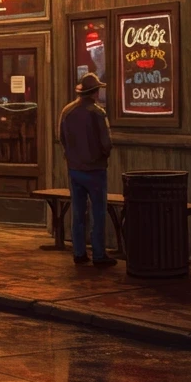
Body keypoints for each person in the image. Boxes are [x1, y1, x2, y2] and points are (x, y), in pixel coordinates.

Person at [58, 73, 116, 267]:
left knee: (78, 212)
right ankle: (99, 254)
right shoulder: (98, 113)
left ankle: (79, 252)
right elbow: (106, 143)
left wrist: (71, 157)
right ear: (95, 92)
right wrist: (102, 155)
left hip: (74, 169)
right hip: (95, 169)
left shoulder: (67, 111)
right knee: (98, 213)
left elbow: (62, 138)